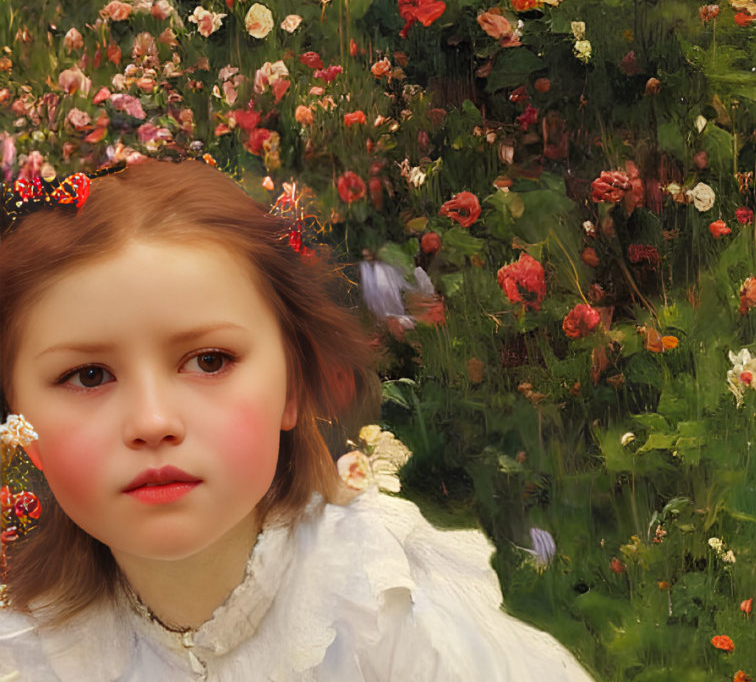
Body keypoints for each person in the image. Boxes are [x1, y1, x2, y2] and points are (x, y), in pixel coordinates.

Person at [0, 159, 593, 681]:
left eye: (209, 361)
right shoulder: (25, 652)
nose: (153, 422)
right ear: (18, 422)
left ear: (291, 385)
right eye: (88, 377)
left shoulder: (381, 605)